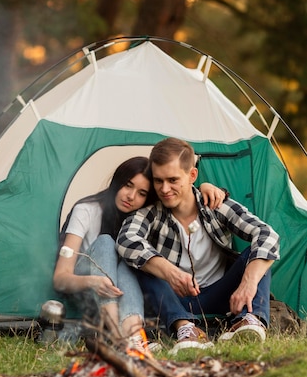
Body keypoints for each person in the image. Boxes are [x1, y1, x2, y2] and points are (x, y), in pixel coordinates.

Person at [115, 138, 280, 353]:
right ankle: (186, 329)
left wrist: (248, 282)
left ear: (192, 175)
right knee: (140, 263)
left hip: (221, 295)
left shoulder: (215, 204)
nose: (164, 189)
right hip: (174, 300)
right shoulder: (151, 213)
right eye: (158, 181)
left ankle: (249, 321)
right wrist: (170, 272)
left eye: (173, 180)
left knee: (257, 255)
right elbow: (126, 240)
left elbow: (267, 234)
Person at [53, 155, 226, 352]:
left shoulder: (144, 221)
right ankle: (117, 336)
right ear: (117, 181)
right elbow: (60, 278)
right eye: (128, 185)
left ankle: (135, 339)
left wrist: (205, 187)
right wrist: (93, 281)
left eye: (142, 193)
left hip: (123, 292)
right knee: (106, 242)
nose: (131, 196)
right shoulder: (86, 210)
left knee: (131, 260)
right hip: (85, 289)